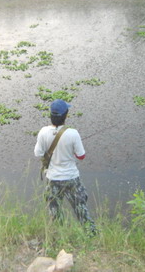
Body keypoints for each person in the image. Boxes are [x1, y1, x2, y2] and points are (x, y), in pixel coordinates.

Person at [34, 99, 96, 234]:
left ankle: (59, 235)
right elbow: (81, 156)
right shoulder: (73, 133)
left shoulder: (43, 132)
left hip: (53, 178)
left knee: (54, 211)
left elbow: (38, 153)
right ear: (65, 115)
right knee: (80, 209)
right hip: (71, 178)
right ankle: (91, 234)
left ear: (51, 115)